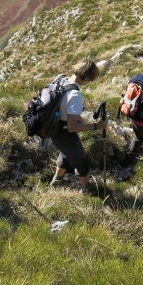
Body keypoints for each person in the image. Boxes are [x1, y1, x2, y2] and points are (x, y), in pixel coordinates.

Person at [49, 59, 108, 189]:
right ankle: (86, 190)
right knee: (82, 163)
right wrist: (98, 126)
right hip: (65, 134)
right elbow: (72, 127)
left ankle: (56, 182)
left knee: (66, 154)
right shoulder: (75, 95)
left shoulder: (62, 80)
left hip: (54, 130)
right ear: (87, 78)